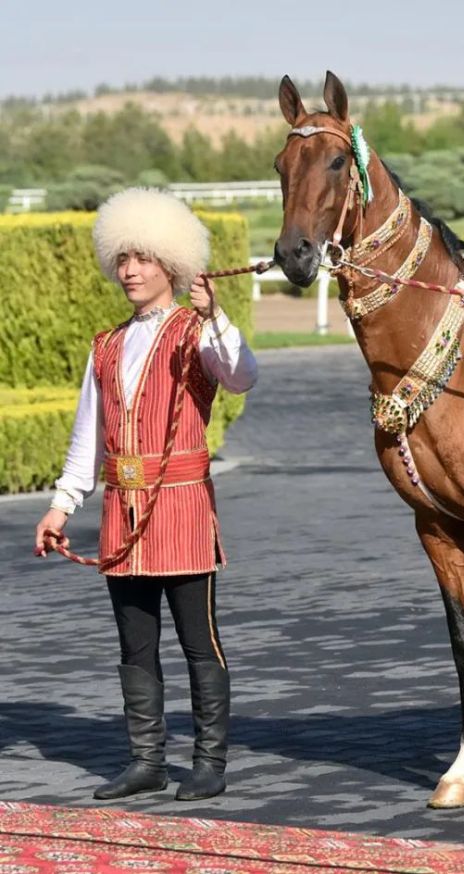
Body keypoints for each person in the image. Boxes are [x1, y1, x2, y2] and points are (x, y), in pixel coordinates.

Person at [34, 188, 258, 802]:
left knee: (197, 642)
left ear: (172, 265)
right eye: (123, 259)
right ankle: (146, 761)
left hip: (183, 508)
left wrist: (216, 315)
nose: (129, 270)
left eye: (143, 259)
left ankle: (208, 762)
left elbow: (240, 376)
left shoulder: (197, 332)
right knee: (134, 646)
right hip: (118, 512)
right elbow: (90, 433)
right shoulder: (105, 345)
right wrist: (62, 504)